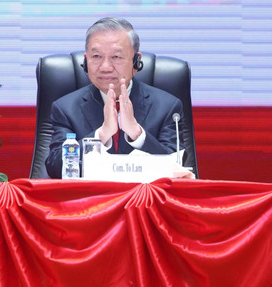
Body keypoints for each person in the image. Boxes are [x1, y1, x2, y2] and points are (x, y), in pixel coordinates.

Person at [44, 17, 183, 179]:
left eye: (116, 57)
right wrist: (100, 136)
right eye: (96, 56)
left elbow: (177, 169)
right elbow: (54, 169)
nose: (105, 67)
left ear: (136, 62)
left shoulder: (167, 107)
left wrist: (138, 135)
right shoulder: (65, 109)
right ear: (85, 61)